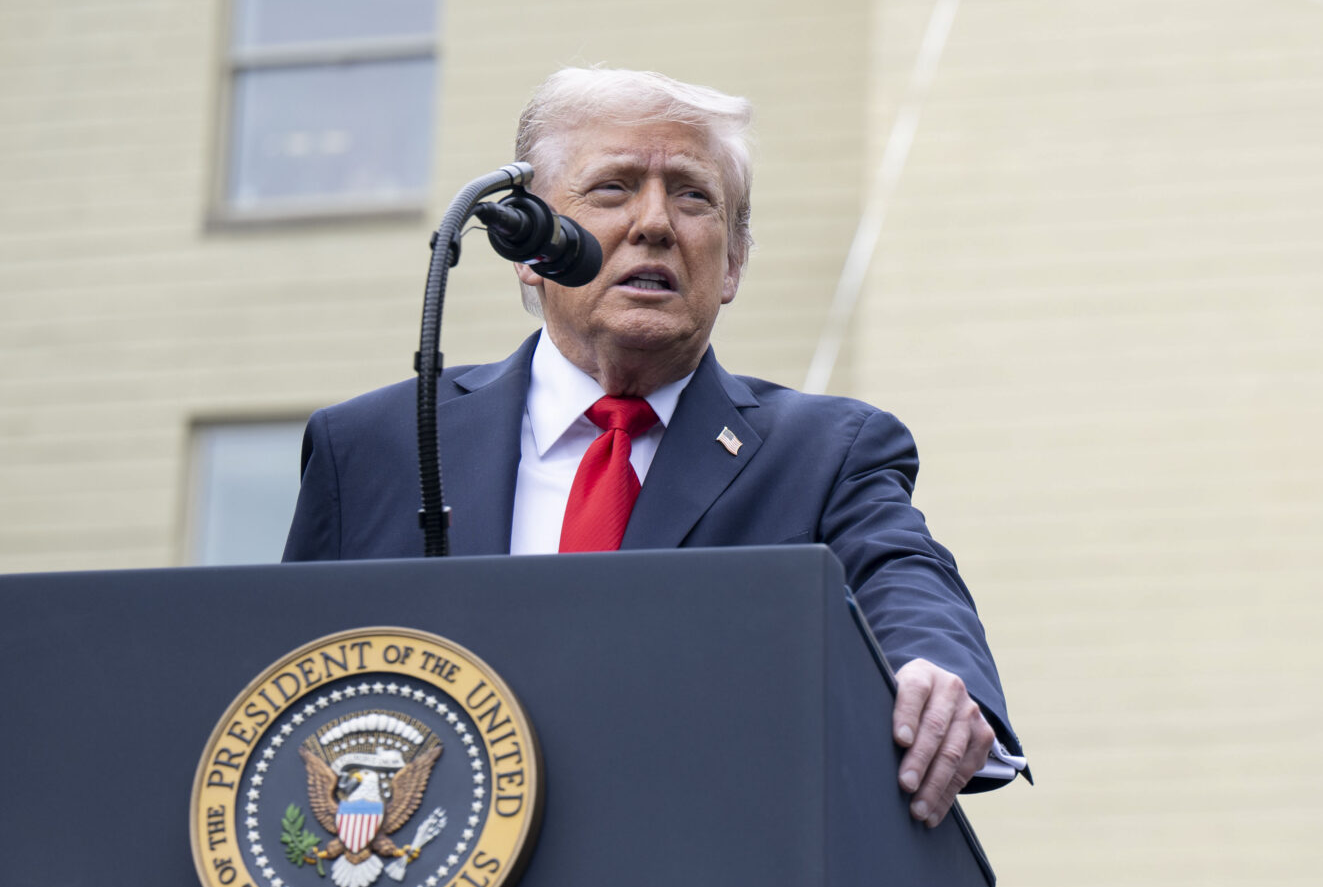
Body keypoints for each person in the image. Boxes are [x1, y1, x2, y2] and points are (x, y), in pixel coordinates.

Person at [283, 67, 1020, 827]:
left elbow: (906, 580)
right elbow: (281, 697)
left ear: (731, 262)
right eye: (612, 189)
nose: (656, 223)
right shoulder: (375, 448)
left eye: (694, 196)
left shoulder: (826, 453)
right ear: (530, 245)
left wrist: (938, 673)